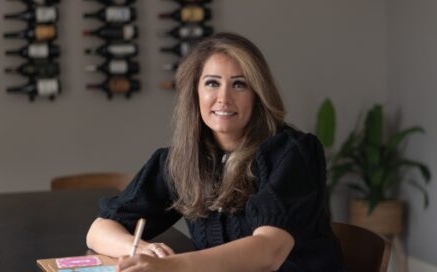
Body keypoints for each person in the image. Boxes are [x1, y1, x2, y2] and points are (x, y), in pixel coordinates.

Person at [86, 32, 344, 272]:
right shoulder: (181, 160)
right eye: (212, 83)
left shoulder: (292, 153)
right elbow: (99, 230)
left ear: (257, 93)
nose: (224, 98)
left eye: (239, 84)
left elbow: (270, 251)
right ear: (195, 92)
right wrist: (147, 250)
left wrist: (171, 267)